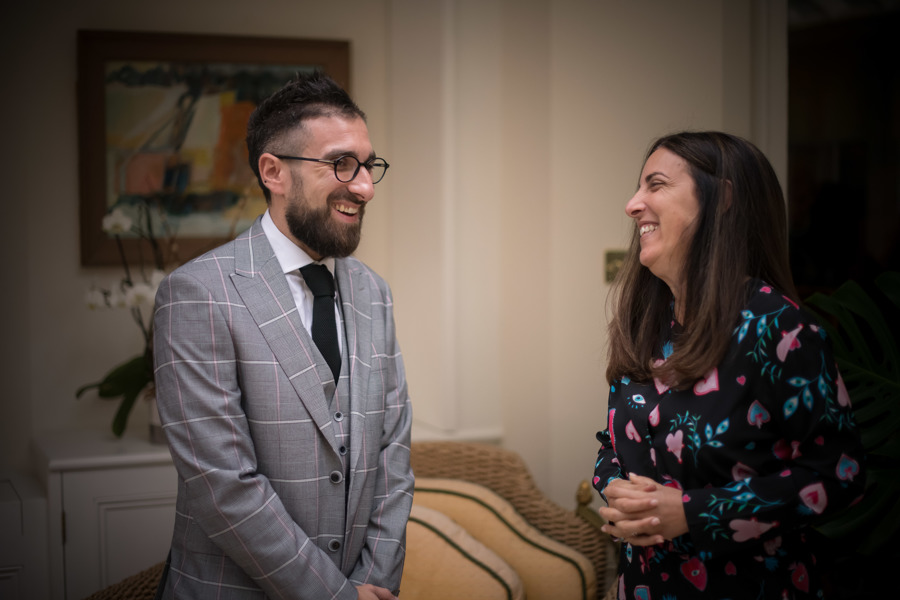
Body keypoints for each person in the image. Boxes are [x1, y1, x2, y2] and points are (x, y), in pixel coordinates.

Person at [152, 71, 413, 600]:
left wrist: (372, 582)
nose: (364, 186)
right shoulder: (197, 293)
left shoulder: (374, 292)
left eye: (368, 166)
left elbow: (393, 455)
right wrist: (336, 596)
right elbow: (224, 487)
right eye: (341, 164)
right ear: (273, 171)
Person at [592, 131, 865, 599]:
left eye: (656, 184)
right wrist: (616, 488)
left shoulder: (779, 330)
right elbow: (613, 444)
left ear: (722, 199)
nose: (633, 205)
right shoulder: (645, 326)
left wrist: (693, 512)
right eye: (639, 188)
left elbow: (840, 474)